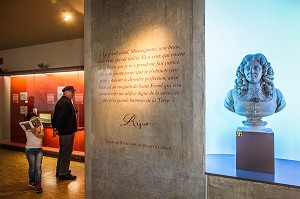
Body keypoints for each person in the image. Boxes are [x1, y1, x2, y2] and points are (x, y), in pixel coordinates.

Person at [224, 53, 286, 130]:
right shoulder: (231, 95)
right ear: (243, 70)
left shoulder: (277, 95)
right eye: (248, 68)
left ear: (263, 70)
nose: (252, 71)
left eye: (256, 68)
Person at [52, 85, 77, 180]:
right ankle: (63, 173)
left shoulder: (61, 101)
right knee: (66, 152)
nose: (73, 94)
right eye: (71, 92)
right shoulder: (66, 103)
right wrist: (57, 127)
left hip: (64, 131)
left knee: (62, 152)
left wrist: (55, 127)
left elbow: (55, 116)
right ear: (66, 92)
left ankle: (60, 170)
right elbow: (61, 118)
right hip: (67, 131)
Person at [24, 112, 44, 194]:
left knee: (38, 166)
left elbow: (42, 135)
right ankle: (31, 181)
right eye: (32, 118)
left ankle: (38, 183)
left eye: (35, 118)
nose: (34, 120)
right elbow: (37, 134)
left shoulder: (40, 125)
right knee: (32, 166)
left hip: (39, 149)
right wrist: (35, 131)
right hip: (29, 149)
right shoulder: (27, 127)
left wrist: (34, 132)